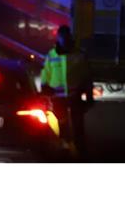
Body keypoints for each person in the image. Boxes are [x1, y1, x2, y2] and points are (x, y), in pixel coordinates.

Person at [38, 25, 93, 157]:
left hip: (75, 96)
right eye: (62, 38)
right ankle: (65, 146)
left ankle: (80, 150)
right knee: (62, 122)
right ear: (59, 38)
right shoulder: (51, 55)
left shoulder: (79, 55)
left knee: (78, 124)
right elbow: (46, 73)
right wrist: (44, 88)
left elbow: (87, 76)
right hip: (58, 97)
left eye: (67, 38)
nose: (65, 41)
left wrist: (89, 95)